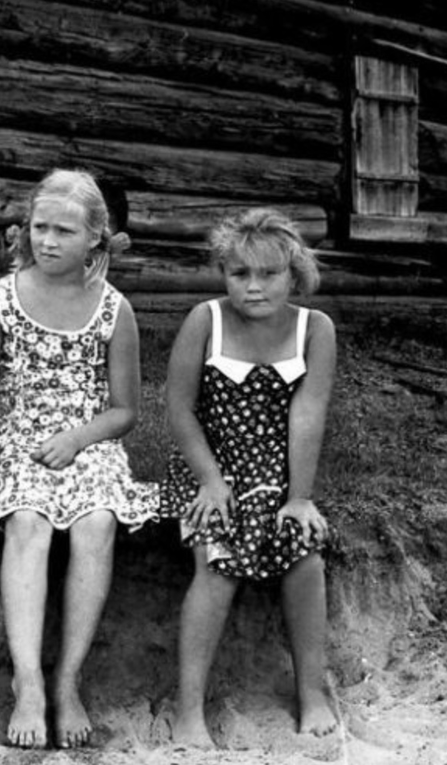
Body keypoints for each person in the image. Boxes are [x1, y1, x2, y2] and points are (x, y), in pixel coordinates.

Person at [0, 169, 158, 749]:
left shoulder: (113, 309)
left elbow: (126, 410)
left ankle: (68, 678)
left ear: (95, 237)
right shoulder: (0, 298)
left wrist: (77, 439)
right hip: (22, 437)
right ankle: (27, 680)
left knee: (97, 520)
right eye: (40, 227)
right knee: (28, 520)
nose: (47, 241)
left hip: (90, 439)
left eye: (64, 232)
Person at [160, 207, 339, 747]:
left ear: (294, 275)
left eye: (268, 274)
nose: (253, 287)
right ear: (224, 274)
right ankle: (189, 708)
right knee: (218, 562)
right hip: (209, 466)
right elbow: (179, 409)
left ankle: (312, 692)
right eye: (240, 274)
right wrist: (212, 482)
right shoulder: (206, 321)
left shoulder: (314, 329)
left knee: (304, 557)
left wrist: (299, 497)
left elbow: (308, 414)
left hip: (277, 472)